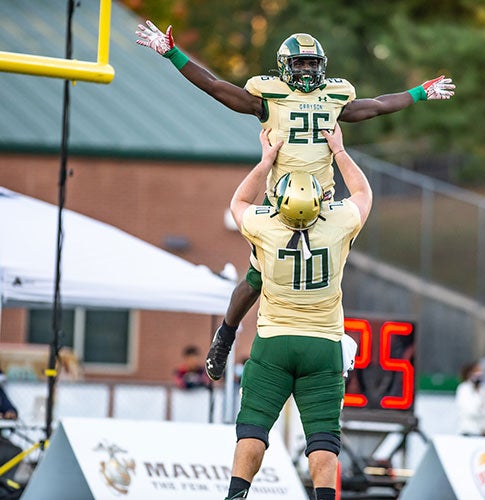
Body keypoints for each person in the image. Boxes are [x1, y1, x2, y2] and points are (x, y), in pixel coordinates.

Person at [135, 22, 455, 380]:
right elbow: (215, 87)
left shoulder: (335, 98)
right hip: (280, 201)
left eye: (311, 63)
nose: (306, 70)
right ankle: (226, 335)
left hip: (325, 200)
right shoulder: (267, 98)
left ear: (322, 65)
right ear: (285, 66)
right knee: (257, 277)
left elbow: (377, 106)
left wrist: (419, 92)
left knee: (330, 273)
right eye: (299, 64)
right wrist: (173, 54)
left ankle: (332, 341)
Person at [221, 122, 371, 500]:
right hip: (322, 344)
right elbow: (362, 192)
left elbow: (239, 202)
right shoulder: (338, 225)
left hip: (274, 341)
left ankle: (236, 495)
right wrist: (338, 150)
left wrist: (266, 160)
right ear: (320, 202)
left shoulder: (264, 228)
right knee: (323, 436)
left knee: (253, 428)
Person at [455, 361, 485, 436]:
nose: (479, 373)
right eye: (476, 371)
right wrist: (481, 410)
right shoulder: (463, 389)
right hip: (469, 430)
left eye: (480, 371)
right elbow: (469, 410)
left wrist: (484, 411)